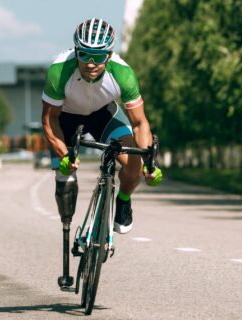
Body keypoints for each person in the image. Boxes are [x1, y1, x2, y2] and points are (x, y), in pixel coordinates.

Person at [41, 18, 162, 235]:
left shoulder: (123, 73)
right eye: (84, 54)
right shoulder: (59, 71)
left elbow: (139, 122)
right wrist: (63, 154)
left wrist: (149, 163)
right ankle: (67, 229)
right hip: (65, 120)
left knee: (133, 163)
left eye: (98, 57)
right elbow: (50, 120)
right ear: (76, 50)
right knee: (66, 178)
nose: (90, 63)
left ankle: (123, 201)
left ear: (109, 55)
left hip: (102, 116)